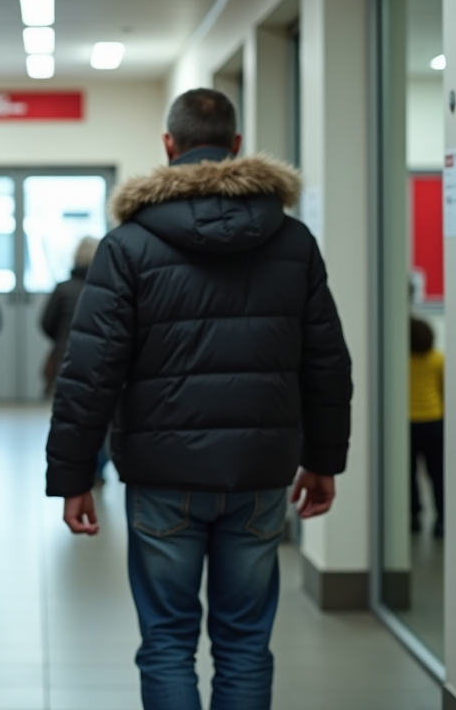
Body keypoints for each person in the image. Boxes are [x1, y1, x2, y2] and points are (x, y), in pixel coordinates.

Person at [45, 88, 353, 710]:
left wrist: (73, 475)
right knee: (244, 642)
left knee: (166, 642)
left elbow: (90, 371)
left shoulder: (128, 246)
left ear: (168, 146)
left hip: (163, 475)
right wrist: (324, 459)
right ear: (237, 146)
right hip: (261, 474)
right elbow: (326, 361)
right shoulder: (292, 242)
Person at [41, 237, 99, 398]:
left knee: (64, 405)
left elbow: (47, 323)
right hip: (98, 356)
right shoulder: (105, 290)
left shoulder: (63, 288)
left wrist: (61, 338)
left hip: (64, 353)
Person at [409, 315, 445, 538]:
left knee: (409, 474)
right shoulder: (438, 359)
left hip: (408, 423)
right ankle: (441, 518)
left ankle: (414, 516)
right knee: (437, 473)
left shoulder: (401, 360)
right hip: (434, 421)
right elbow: (443, 389)